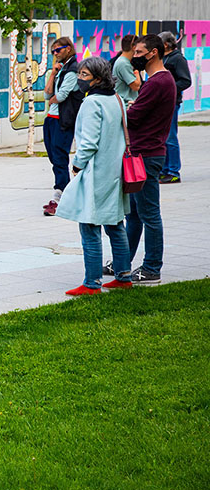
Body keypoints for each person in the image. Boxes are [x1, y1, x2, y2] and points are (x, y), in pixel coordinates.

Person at [55, 58, 133, 295]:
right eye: (79, 73)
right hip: (114, 172)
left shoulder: (91, 103)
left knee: (89, 227)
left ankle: (92, 283)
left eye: (85, 74)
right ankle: (123, 276)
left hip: (95, 173)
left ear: (98, 78)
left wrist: (77, 165)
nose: (80, 78)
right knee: (115, 224)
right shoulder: (117, 99)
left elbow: (88, 143)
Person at [121, 34, 177, 285]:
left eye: (139, 52)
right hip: (144, 152)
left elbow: (134, 117)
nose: (135, 57)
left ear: (153, 52)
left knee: (149, 214)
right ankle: (123, 262)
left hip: (146, 154)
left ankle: (152, 267)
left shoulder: (158, 82)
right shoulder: (157, 81)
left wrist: (128, 109)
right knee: (134, 213)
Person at [42, 37, 79, 217]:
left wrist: (51, 99)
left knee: (59, 158)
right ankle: (67, 192)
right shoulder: (61, 70)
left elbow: (62, 95)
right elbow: (46, 92)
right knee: (54, 157)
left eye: (58, 50)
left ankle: (59, 197)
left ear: (68, 49)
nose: (55, 53)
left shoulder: (72, 70)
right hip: (51, 119)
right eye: (53, 51)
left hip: (62, 119)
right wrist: (52, 74)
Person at [158, 31, 191, 184]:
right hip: (161, 103)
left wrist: (168, 88)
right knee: (163, 137)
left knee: (170, 137)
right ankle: (164, 170)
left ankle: (173, 171)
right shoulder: (163, 58)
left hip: (172, 102)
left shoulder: (178, 59)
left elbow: (186, 81)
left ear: (166, 44)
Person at [112, 34, 142, 103]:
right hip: (126, 104)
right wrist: (136, 71)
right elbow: (136, 86)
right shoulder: (124, 64)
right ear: (134, 47)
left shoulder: (122, 61)